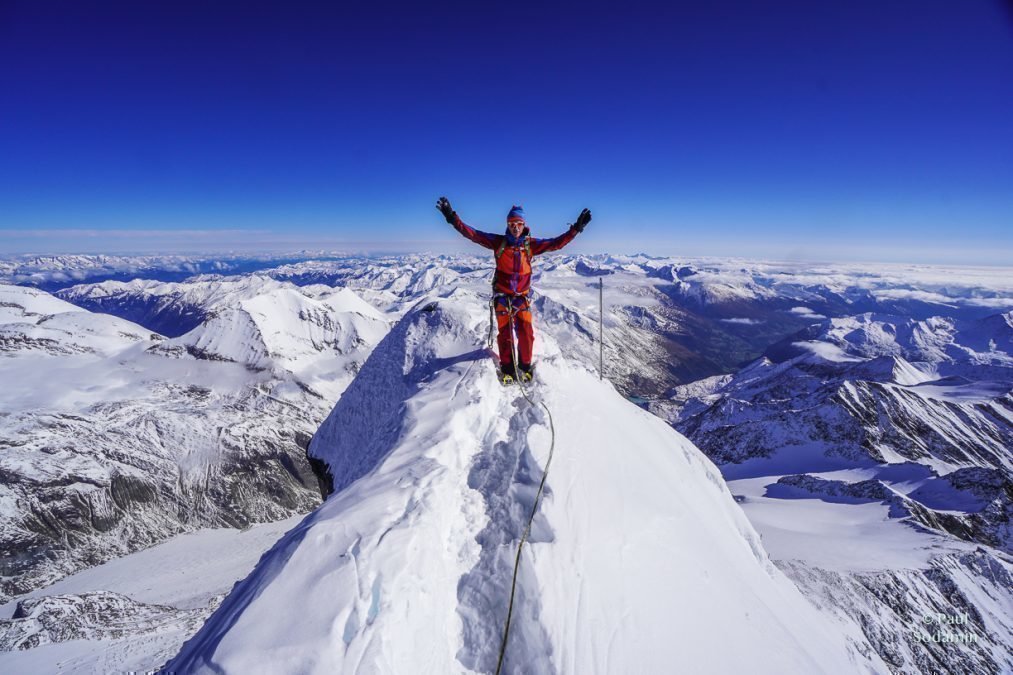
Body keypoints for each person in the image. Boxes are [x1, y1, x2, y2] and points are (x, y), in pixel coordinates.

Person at [436, 196, 591, 383]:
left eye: (518, 223)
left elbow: (556, 243)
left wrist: (576, 229)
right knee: (506, 334)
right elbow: (473, 234)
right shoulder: (498, 242)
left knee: (526, 333)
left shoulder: (530, 245)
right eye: (511, 224)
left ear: (523, 224)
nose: (515, 227)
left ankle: (525, 367)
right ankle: (508, 370)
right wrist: (452, 218)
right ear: (507, 225)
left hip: (521, 298)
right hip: (502, 296)